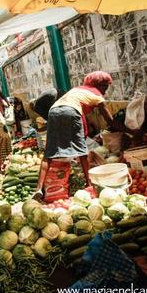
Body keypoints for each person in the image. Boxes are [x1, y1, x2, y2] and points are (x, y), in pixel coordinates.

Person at [32, 71, 136, 201]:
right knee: (82, 152)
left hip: (53, 111)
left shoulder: (77, 90)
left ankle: (38, 189)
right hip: (71, 111)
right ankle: (89, 183)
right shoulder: (97, 96)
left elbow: (80, 116)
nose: (105, 91)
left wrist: (84, 133)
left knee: (49, 153)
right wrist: (133, 132)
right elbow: (111, 122)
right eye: (105, 87)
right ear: (100, 85)